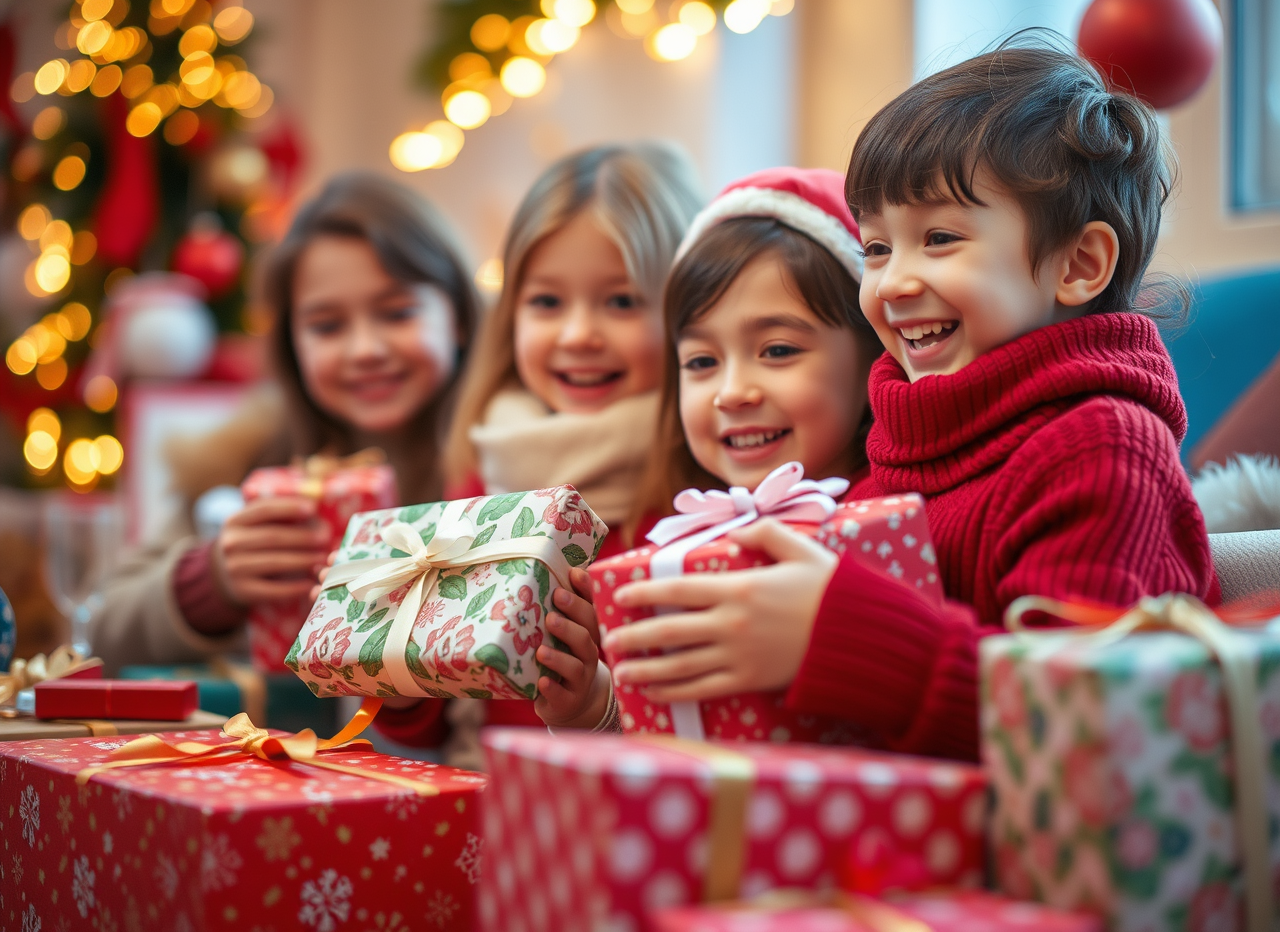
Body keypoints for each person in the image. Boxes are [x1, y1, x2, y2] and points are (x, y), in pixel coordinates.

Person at [595, 43, 1220, 761]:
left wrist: (848, 639)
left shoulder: (1103, 448)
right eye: (878, 248)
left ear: (1079, 265)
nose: (891, 284)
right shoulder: (888, 460)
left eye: (939, 238)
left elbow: (1097, 731)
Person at [371, 142, 703, 765]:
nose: (578, 334)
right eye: (547, 302)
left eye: (622, 301)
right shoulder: (485, 478)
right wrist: (391, 661)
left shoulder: (696, 505)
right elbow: (441, 721)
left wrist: (597, 710)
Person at [90, 173, 478, 672]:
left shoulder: (505, 466)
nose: (364, 350)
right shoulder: (247, 464)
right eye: (327, 326)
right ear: (292, 345)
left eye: (397, 313)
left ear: (460, 317)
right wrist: (212, 583)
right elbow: (104, 626)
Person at [548, 167, 884, 731]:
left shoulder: (890, 518)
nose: (732, 393)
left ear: (873, 353)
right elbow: (668, 746)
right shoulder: (667, 538)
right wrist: (596, 709)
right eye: (702, 362)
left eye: (777, 351)